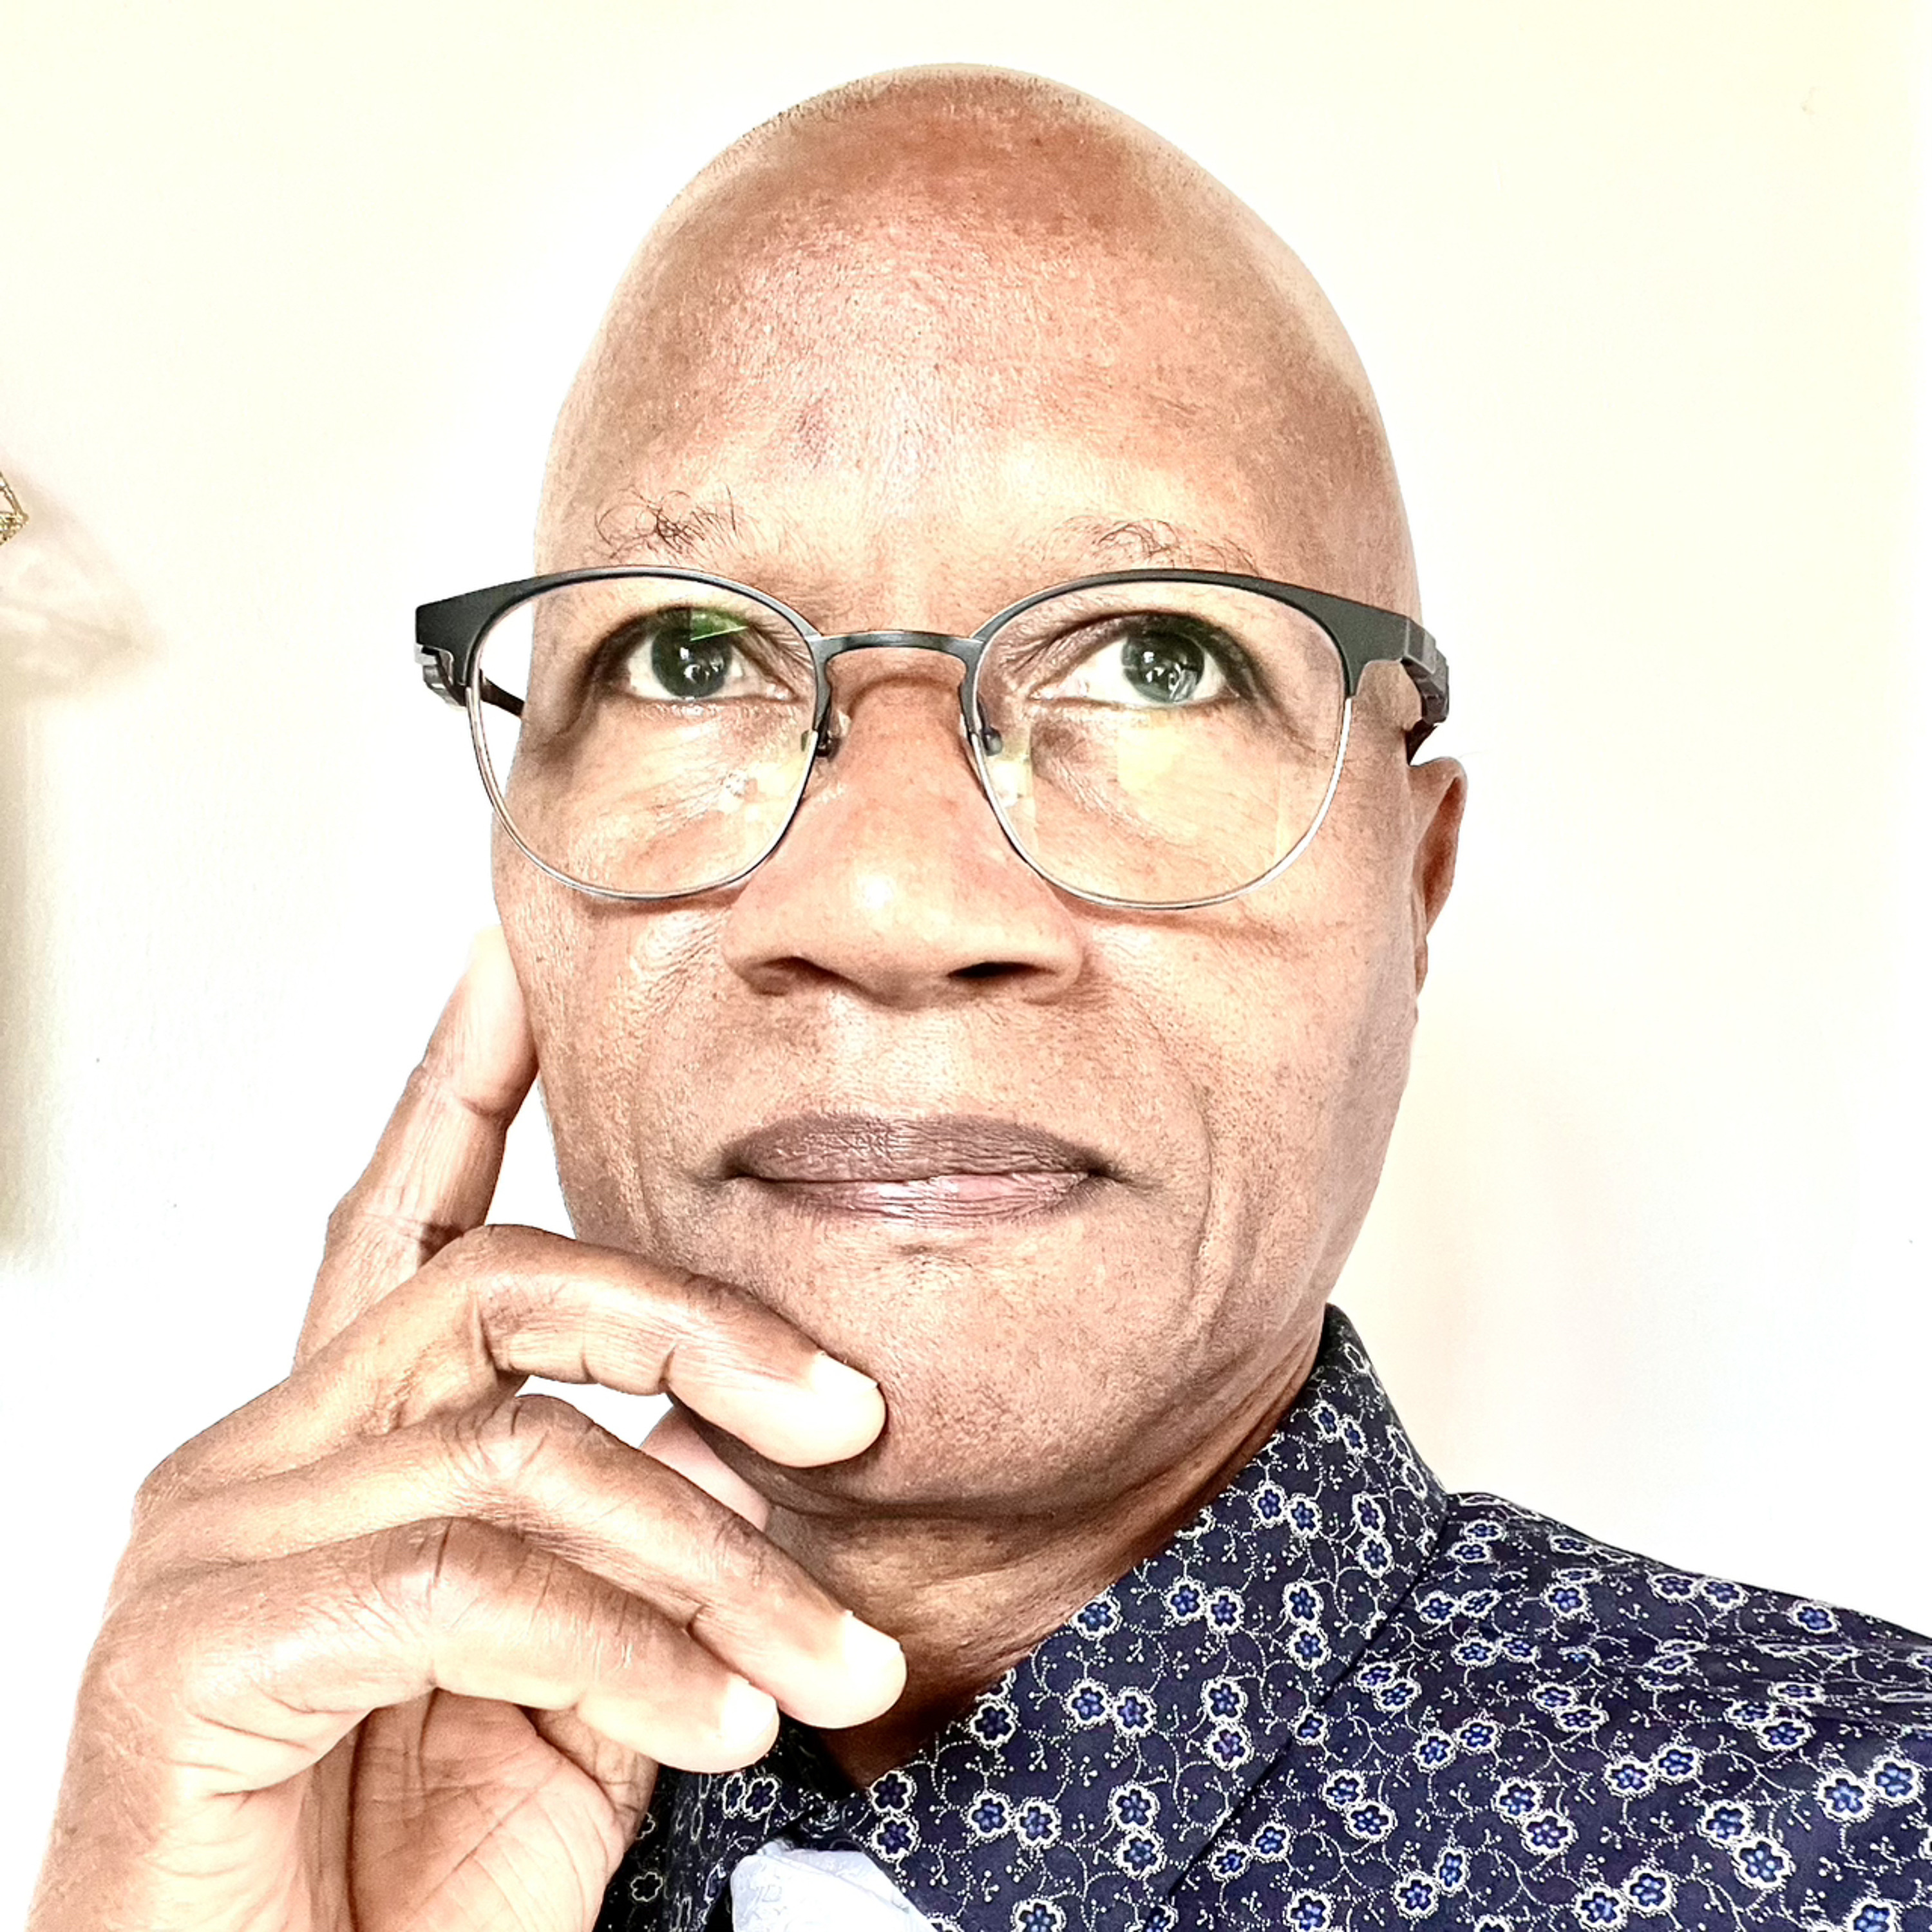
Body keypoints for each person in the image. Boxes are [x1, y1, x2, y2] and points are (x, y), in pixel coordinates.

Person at [28, 65, 1930, 1932]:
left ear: (1414, 891)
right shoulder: (278, 1824)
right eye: (690, 654)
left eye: (1162, 658)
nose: (887, 902)